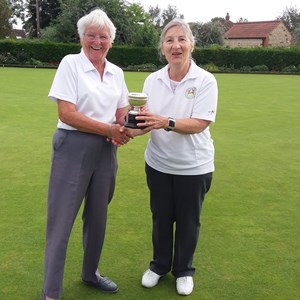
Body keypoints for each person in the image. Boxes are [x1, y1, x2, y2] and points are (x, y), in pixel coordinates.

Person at [41, 8, 131, 300]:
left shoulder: (116, 72)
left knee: (98, 216)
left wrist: (134, 120)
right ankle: (51, 291)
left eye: (103, 36)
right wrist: (109, 130)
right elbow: (67, 114)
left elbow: (121, 114)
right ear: (81, 37)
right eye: (90, 35)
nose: (97, 41)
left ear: (111, 41)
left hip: (105, 150)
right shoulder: (71, 64)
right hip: (73, 145)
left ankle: (90, 273)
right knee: (62, 219)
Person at [128, 18, 218, 296]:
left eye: (181, 39)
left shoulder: (205, 80)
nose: (176, 45)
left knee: (189, 221)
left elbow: (200, 123)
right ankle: (159, 266)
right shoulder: (151, 80)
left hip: (194, 166)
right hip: (158, 164)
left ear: (191, 44)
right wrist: (124, 131)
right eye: (169, 40)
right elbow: (146, 122)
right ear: (162, 48)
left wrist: (164, 121)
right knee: (161, 218)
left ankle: (184, 271)